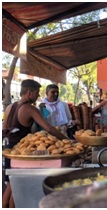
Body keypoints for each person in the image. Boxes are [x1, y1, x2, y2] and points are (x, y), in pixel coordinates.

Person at [2, 79, 69, 208]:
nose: (38, 95)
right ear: (29, 92)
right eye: (37, 92)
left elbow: (5, 129)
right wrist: (66, 140)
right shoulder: (29, 109)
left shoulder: (10, 107)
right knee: (17, 189)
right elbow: (49, 128)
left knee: (11, 186)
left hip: (10, 150)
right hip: (22, 152)